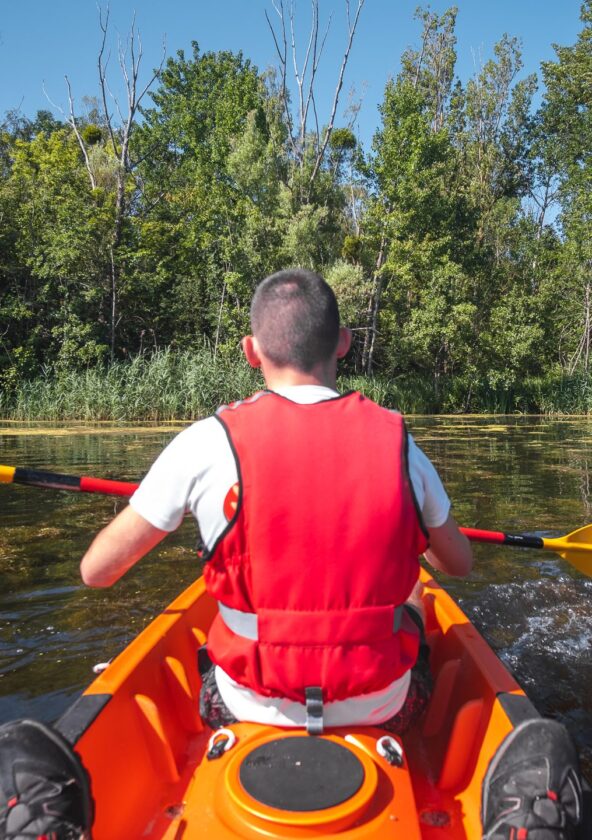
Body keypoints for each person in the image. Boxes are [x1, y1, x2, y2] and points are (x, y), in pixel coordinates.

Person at [79, 267, 473, 734]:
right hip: (384, 703)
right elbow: (458, 563)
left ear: (251, 351)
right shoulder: (400, 444)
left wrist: (191, 509)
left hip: (242, 703)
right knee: (414, 588)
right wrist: (412, 530)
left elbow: (97, 571)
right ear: (343, 342)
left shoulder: (206, 442)